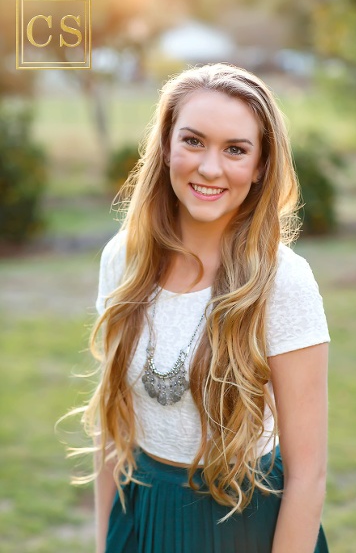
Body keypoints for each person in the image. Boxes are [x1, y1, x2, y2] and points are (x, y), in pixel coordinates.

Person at [72, 63, 330, 552]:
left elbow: (309, 474)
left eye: (235, 150)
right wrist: (107, 540)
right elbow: (113, 429)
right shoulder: (122, 258)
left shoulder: (283, 280)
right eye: (193, 141)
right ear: (166, 146)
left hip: (245, 523)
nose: (210, 167)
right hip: (142, 513)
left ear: (259, 168)